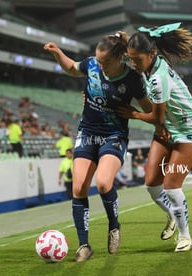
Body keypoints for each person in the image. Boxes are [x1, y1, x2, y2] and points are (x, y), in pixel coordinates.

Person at [44, 31, 152, 261]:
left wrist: (133, 114)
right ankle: (84, 246)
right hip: (87, 132)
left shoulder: (132, 79)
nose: (100, 65)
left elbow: (151, 110)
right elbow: (72, 68)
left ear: (121, 57)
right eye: (98, 60)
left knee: (103, 182)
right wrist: (57, 53)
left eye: (106, 62)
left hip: (113, 135)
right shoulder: (92, 64)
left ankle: (114, 226)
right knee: (79, 186)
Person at [118, 22, 192, 252]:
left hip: (188, 129)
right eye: (130, 58)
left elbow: (157, 118)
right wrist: (126, 41)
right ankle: (172, 217)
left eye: (136, 60)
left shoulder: (158, 79)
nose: (133, 64)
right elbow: (139, 47)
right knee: (151, 185)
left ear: (151, 54)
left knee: (171, 186)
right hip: (167, 127)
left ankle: (185, 236)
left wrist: (133, 114)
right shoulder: (149, 59)